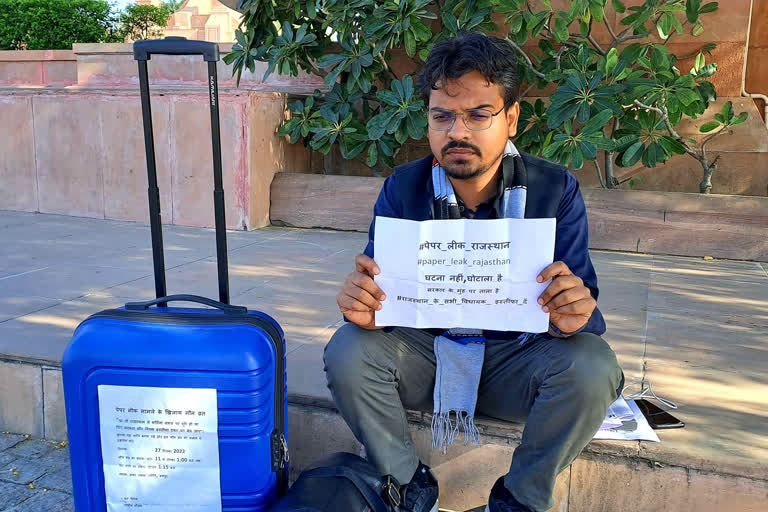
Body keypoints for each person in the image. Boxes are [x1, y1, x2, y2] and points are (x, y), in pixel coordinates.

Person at [323, 32, 624, 512]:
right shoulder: (403, 188)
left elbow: (584, 308)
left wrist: (576, 312)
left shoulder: (553, 189)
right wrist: (365, 303)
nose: (456, 132)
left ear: (511, 118)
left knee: (593, 365)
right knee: (348, 350)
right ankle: (407, 486)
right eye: (441, 116)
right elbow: (381, 297)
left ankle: (519, 498)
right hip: (428, 358)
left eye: (479, 115)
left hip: (518, 364)